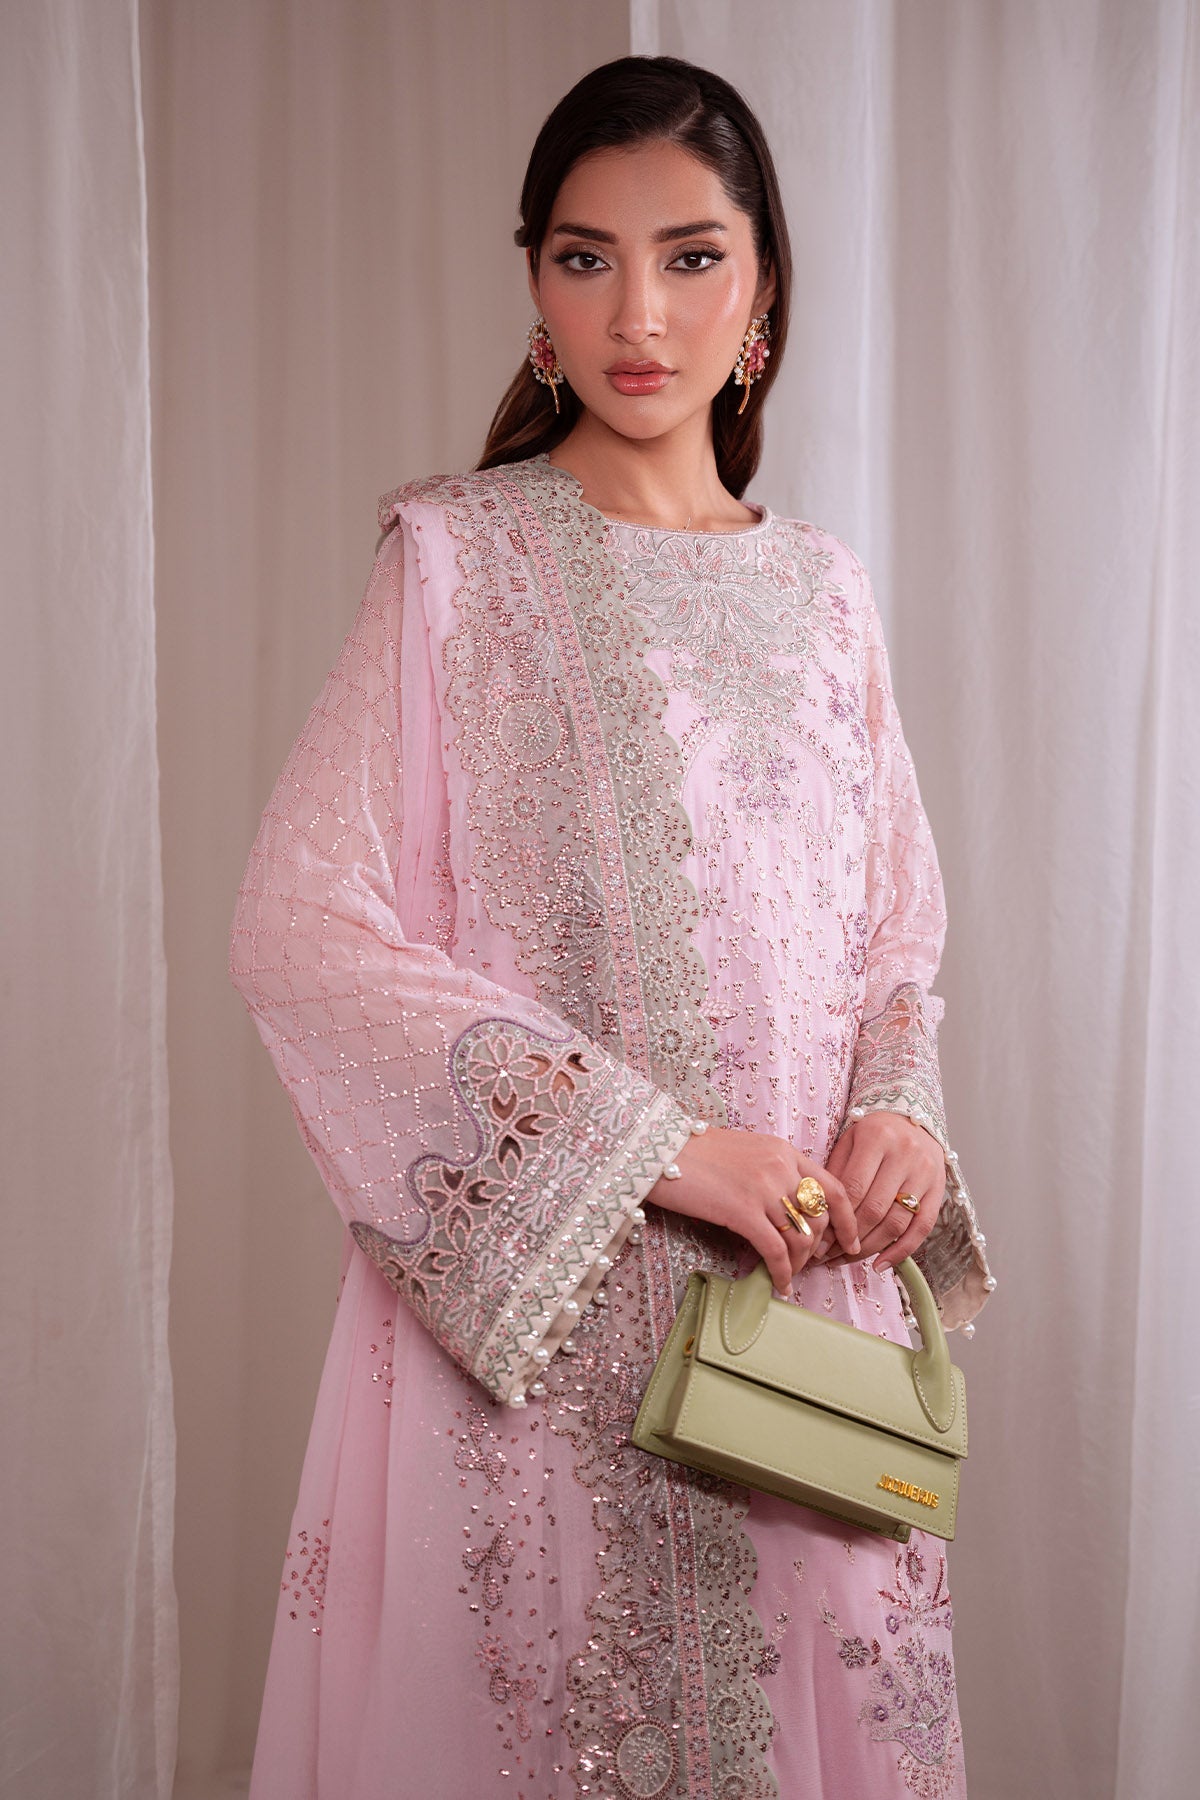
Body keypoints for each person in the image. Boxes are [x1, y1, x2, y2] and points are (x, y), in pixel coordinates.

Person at [230, 54, 992, 1800]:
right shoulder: (457, 562)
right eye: (587, 259)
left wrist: (900, 1110)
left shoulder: (825, 594)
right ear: (537, 288)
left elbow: (891, 937)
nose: (638, 315)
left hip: (801, 1334)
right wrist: (659, 1149)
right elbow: (301, 928)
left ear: (764, 290)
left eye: (691, 257)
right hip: (550, 1335)